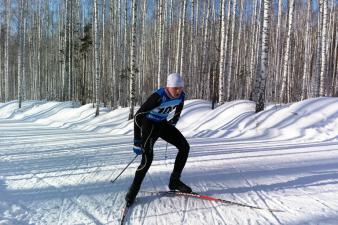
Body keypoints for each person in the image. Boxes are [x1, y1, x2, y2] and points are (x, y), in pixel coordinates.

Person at [125, 73, 191, 206]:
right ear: (168, 87)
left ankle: (174, 181)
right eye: (175, 88)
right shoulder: (158, 96)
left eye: (181, 88)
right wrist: (137, 141)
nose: (178, 91)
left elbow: (180, 105)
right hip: (149, 125)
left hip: (162, 124)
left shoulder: (181, 95)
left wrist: (175, 119)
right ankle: (133, 191)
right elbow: (138, 116)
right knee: (147, 160)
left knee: (184, 147)